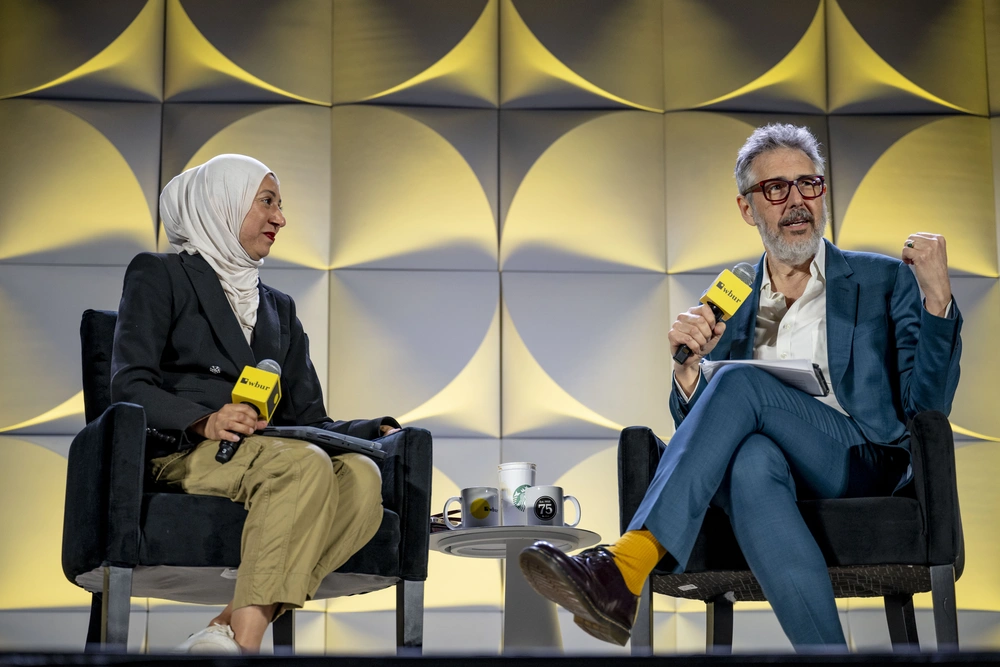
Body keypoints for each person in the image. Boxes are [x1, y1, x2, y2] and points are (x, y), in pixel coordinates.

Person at [518, 124, 962, 649]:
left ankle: (626, 565)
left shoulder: (882, 279)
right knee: (749, 458)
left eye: (809, 185)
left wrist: (936, 303)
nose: (796, 201)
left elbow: (927, 407)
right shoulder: (734, 297)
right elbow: (708, 436)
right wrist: (686, 376)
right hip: (769, 469)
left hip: (859, 460)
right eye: (776, 189)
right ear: (748, 208)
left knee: (739, 382)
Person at [111, 154, 401, 654]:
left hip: (266, 454)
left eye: (280, 206)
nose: (280, 218)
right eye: (267, 202)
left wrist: (374, 430)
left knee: (361, 476)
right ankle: (245, 648)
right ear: (221, 206)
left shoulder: (279, 307)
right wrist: (205, 420)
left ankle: (225, 628)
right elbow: (129, 385)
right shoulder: (159, 274)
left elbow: (310, 421)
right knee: (304, 466)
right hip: (182, 451)